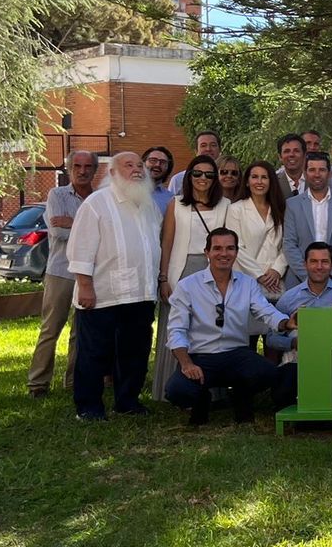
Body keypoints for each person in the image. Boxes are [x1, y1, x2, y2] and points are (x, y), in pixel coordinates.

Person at [163, 227, 296, 425]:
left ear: (236, 252)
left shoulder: (247, 283)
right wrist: (186, 363)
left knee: (273, 374)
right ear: (206, 252)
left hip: (237, 354)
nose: (224, 254)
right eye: (217, 248)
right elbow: (176, 330)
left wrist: (286, 323)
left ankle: (242, 397)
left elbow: (266, 311)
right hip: (201, 356)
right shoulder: (187, 286)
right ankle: (201, 400)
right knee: (176, 391)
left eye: (230, 248)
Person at [66, 152, 163, 420]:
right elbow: (80, 249)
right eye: (128, 165)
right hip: (102, 294)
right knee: (95, 352)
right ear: (112, 173)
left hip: (141, 293)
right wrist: (84, 285)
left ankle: (128, 401)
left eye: (139, 165)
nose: (136, 170)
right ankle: (88, 408)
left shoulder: (149, 206)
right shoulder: (97, 204)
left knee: (135, 351)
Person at [153, 156, 229, 402]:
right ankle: (170, 388)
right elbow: (167, 243)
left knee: (210, 330)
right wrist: (164, 278)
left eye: (209, 174)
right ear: (189, 177)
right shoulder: (176, 204)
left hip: (213, 272)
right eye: (197, 173)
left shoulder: (225, 205)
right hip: (181, 270)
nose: (203, 179)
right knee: (177, 326)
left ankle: (213, 392)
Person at [27, 150, 96, 399]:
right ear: (69, 169)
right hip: (61, 271)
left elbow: (101, 234)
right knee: (51, 328)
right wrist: (88, 228)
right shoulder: (57, 194)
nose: (82, 170)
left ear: (94, 170)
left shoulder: (98, 198)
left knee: (81, 331)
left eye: (88, 166)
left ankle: (73, 381)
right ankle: (38, 383)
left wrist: (73, 222)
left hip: (89, 273)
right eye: (77, 165)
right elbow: (58, 233)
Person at [268, 242, 332, 370]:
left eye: (325, 261)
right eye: (314, 261)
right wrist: (294, 343)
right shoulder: (289, 298)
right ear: (305, 264)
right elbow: (271, 338)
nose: (319, 266)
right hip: (299, 363)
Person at [283, 151, 332, 287]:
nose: (317, 174)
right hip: (299, 282)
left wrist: (330, 274)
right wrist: (308, 276)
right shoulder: (292, 204)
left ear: (329, 173)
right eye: (312, 170)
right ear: (305, 173)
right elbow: (289, 244)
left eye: (322, 170)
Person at [225, 161, 288, 302]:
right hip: (245, 278)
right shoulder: (236, 209)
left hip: (276, 281)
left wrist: (277, 270)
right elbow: (236, 246)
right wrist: (259, 275)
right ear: (247, 182)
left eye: (264, 177)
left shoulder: (281, 209)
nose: (259, 182)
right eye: (254, 177)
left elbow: (288, 244)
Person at [143, 147, 175, 215]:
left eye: (163, 162)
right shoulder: (127, 192)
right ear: (143, 163)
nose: (157, 164)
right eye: (153, 160)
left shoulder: (171, 199)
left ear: (168, 168)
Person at [275, 133, 307, 198]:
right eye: (287, 151)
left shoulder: (315, 180)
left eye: (296, 151)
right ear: (280, 157)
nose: (291, 154)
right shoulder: (273, 183)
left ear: (304, 155)